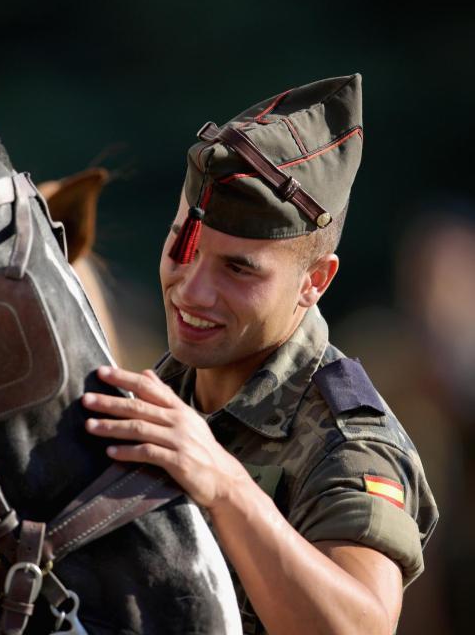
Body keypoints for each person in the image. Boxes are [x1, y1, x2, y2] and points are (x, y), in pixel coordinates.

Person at [82, 73, 438, 635]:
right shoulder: (156, 396)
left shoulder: (348, 443)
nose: (190, 291)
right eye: (184, 245)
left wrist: (225, 484)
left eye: (239, 269)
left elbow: (360, 628)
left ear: (313, 282)